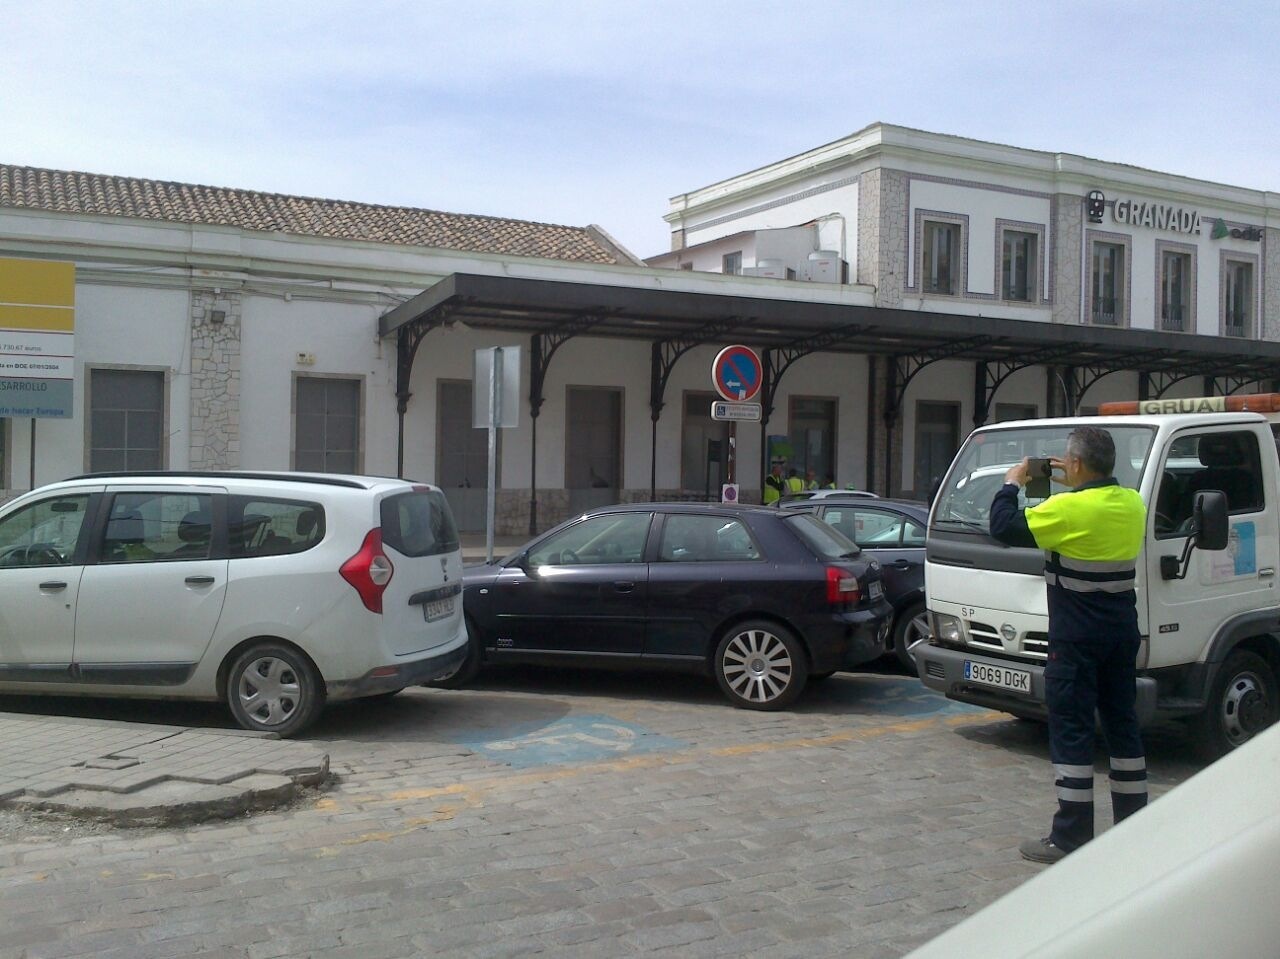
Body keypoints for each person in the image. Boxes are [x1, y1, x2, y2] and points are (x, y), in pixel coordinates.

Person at [987, 426, 1147, 865]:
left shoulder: (1066, 509)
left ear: (1075, 464)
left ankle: (1072, 835)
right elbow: (1091, 505)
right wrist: (1072, 481)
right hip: (1121, 635)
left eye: (1067, 460)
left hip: (1075, 641)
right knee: (1123, 728)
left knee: (1073, 733)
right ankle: (1136, 826)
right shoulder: (1132, 503)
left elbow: (1002, 526)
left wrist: (1012, 484)